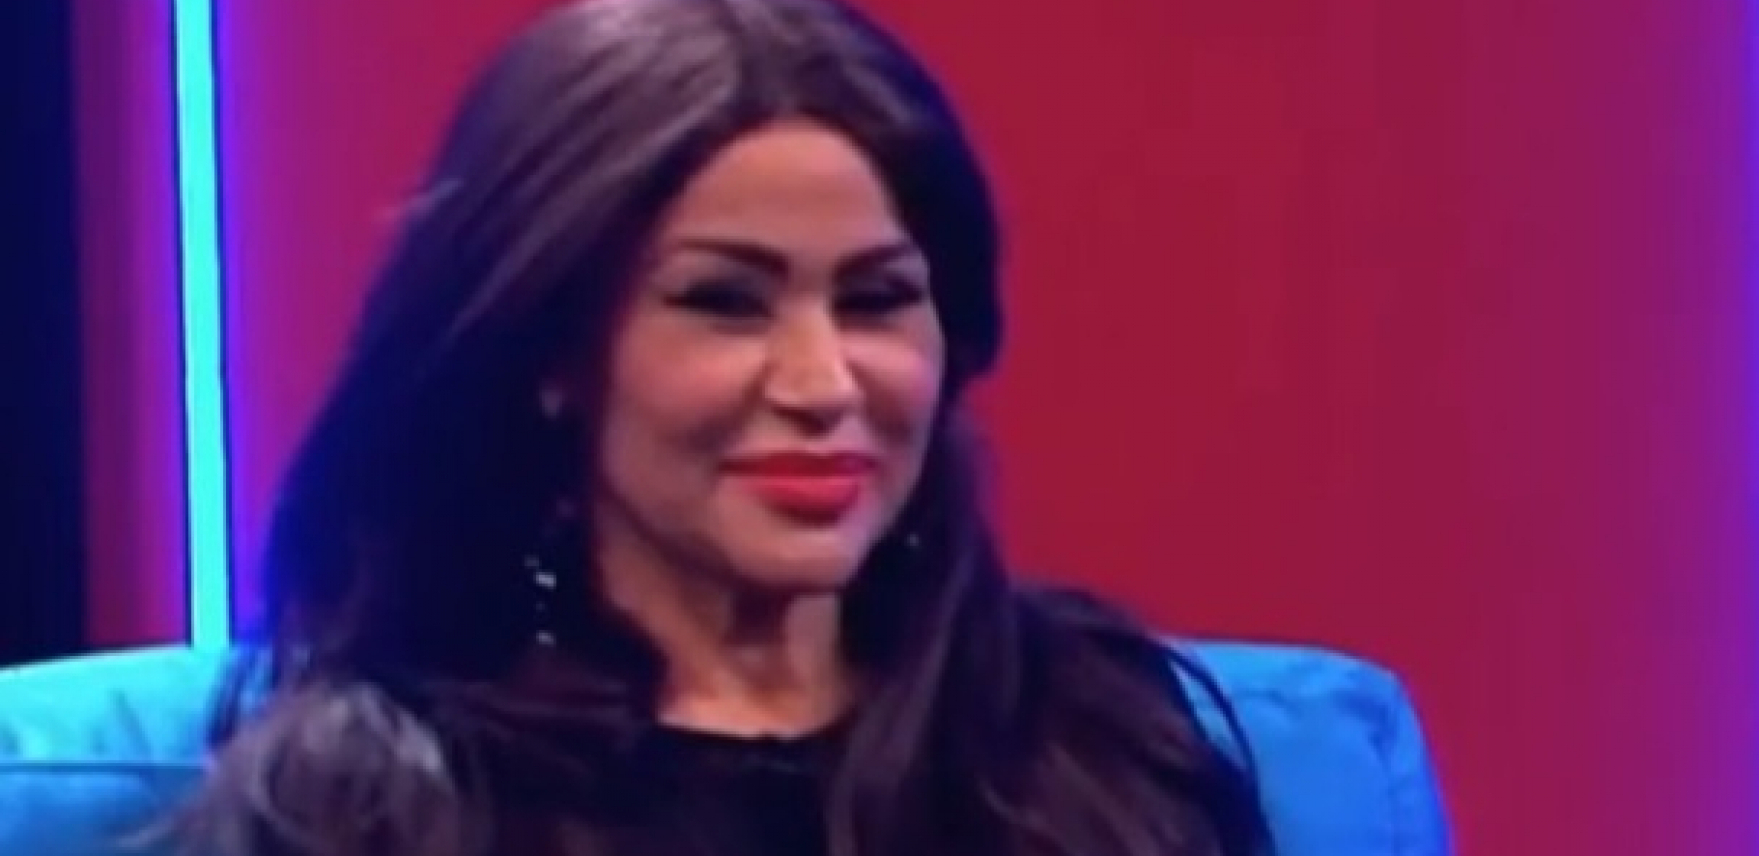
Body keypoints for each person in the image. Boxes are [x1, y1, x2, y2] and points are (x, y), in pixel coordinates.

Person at [166, 1, 1395, 854]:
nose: (823, 382)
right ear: (552, 350)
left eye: (875, 300)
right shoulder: (368, 808)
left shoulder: (1099, 749)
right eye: (724, 301)